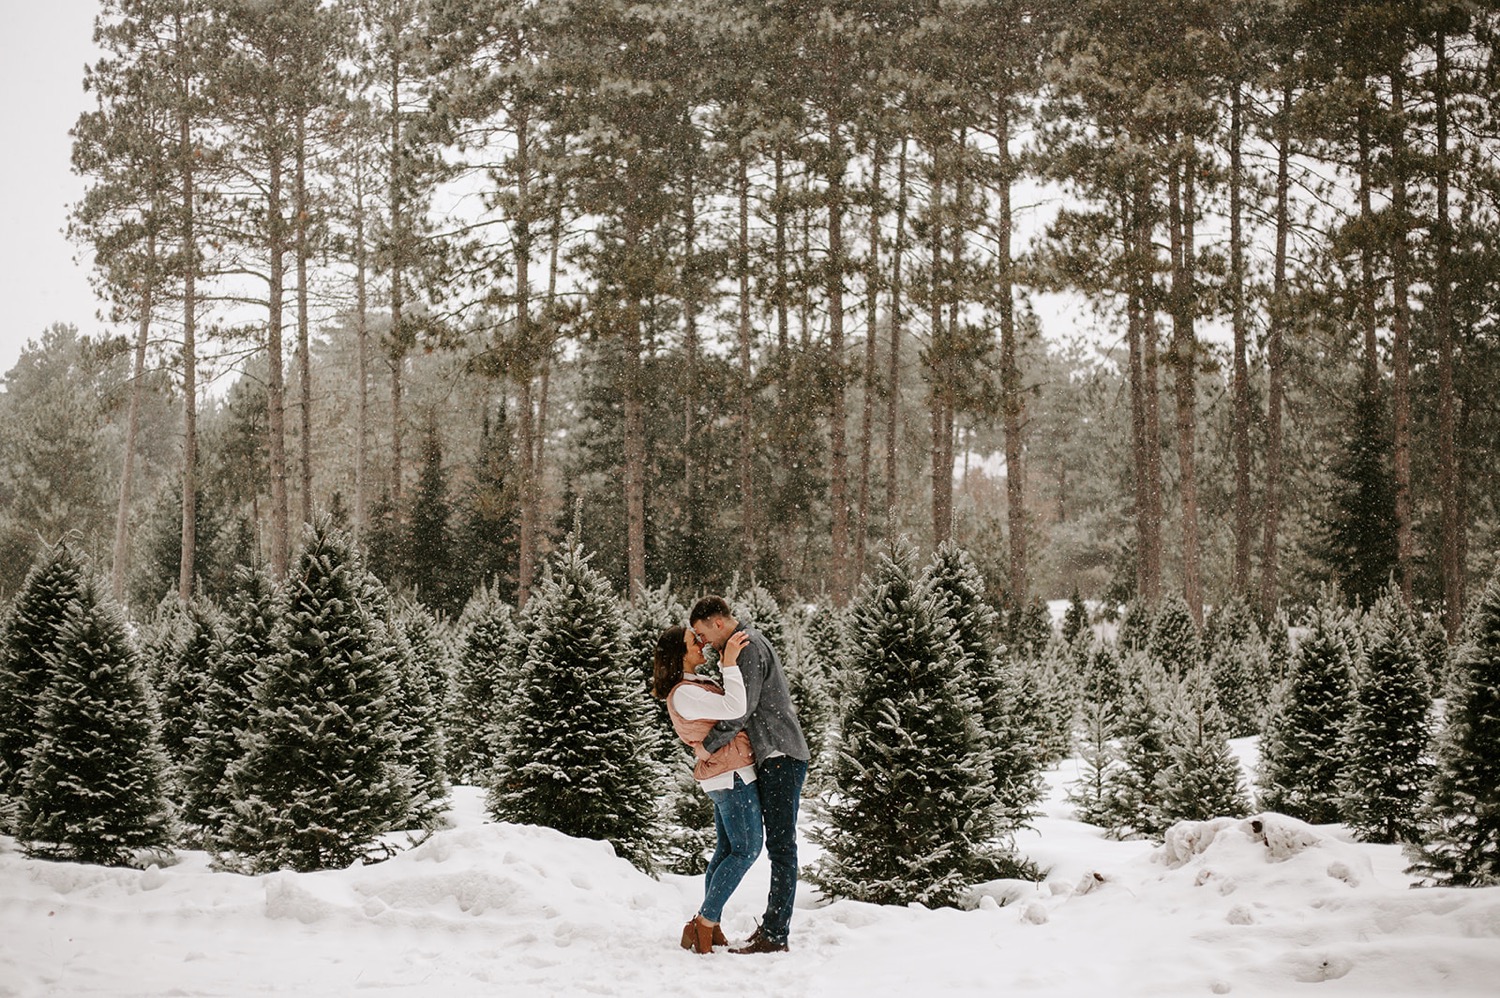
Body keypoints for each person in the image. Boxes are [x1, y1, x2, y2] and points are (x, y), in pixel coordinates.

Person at [690, 595, 809, 955]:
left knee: (782, 848)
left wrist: (707, 745)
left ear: (718, 622)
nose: (703, 642)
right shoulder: (742, 647)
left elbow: (741, 708)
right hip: (773, 755)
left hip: (779, 754)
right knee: (777, 847)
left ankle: (775, 934)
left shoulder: (746, 647)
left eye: (702, 632)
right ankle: (773, 931)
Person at [653, 625, 760, 954]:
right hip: (731, 775)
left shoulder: (693, 685)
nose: (701, 643)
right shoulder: (684, 692)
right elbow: (734, 709)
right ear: (679, 653)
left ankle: (706, 924)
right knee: (747, 850)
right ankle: (704, 922)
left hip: (727, 772)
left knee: (728, 851)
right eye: (692, 640)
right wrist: (729, 662)